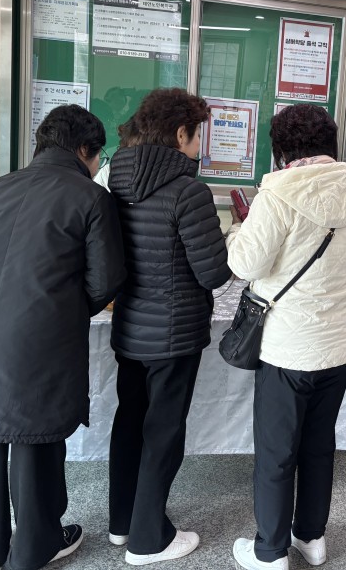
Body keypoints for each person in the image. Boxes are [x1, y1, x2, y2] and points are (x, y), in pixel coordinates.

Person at [0, 105, 126, 570]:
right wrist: (58, 308)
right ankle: (34, 549)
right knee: (34, 443)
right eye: (98, 157)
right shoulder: (91, 197)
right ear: (85, 150)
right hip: (40, 341)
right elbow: (105, 281)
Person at [227, 104, 346, 570]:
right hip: (338, 345)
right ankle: (311, 538)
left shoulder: (277, 195)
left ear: (281, 152)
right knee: (318, 446)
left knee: (276, 453)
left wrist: (237, 232)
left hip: (288, 347)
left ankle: (270, 551)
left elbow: (245, 264)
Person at [107, 88, 232, 565]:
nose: (199, 146)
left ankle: (122, 523)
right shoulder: (188, 191)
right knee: (163, 431)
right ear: (181, 134)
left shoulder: (115, 180)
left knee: (129, 422)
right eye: (198, 136)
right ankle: (148, 540)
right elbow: (213, 273)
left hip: (130, 327)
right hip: (175, 333)